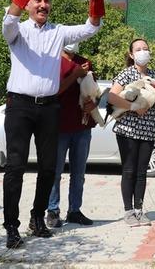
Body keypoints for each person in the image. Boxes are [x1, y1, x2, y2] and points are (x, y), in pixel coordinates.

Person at [1, 0, 104, 249]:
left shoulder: (58, 32)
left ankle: (37, 218)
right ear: (29, 5)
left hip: (49, 107)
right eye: (38, 0)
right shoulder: (18, 31)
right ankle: (11, 226)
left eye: (46, 1)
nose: (43, 5)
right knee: (15, 167)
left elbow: (91, 28)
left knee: (49, 168)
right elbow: (9, 20)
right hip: (20, 106)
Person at [108, 38, 155, 227]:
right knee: (129, 170)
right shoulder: (127, 74)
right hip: (127, 129)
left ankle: (140, 210)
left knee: (142, 172)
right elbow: (111, 96)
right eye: (138, 49)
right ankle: (128, 212)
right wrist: (133, 107)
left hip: (148, 130)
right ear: (131, 55)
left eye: (145, 49)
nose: (143, 52)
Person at [45, 42, 98, 228]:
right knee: (55, 172)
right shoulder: (51, 62)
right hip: (59, 127)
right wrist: (75, 74)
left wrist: (94, 103)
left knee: (79, 173)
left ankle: (75, 210)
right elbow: (54, 91)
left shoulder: (85, 62)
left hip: (82, 127)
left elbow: (93, 91)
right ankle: (52, 211)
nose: (73, 43)